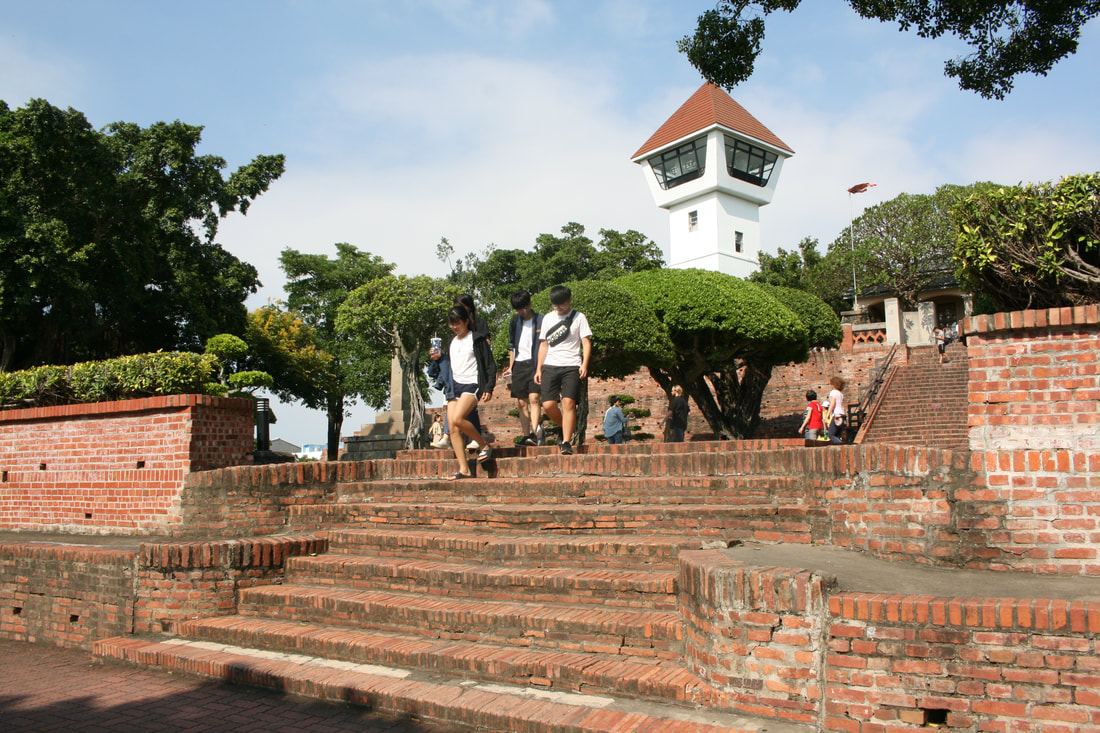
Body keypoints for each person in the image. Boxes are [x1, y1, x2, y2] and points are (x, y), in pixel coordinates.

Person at [429, 305, 495, 478]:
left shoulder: (477, 338)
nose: (455, 327)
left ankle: (484, 446)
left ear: (467, 321)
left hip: (472, 385)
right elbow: (449, 365)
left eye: (458, 323)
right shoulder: (452, 342)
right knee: (453, 428)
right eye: (452, 324)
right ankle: (464, 469)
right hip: (455, 387)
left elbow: (489, 364)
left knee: (458, 419)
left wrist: (488, 387)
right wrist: (437, 358)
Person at [534, 285, 592, 456]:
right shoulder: (548, 318)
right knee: (548, 405)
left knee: (568, 403)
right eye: (555, 305)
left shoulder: (579, 317)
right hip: (551, 365)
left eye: (562, 305)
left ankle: (566, 442)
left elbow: (586, 342)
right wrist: (538, 368)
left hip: (571, 365)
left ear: (569, 301)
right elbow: (544, 344)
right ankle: (566, 425)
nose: (559, 308)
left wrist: (584, 365)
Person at [503, 290, 543, 447]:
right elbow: (512, 346)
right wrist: (510, 366)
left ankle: (534, 432)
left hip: (534, 364)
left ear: (530, 304)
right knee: (521, 402)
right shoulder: (514, 322)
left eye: (524, 308)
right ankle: (527, 435)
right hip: (519, 364)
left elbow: (544, 345)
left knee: (534, 398)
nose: (522, 311)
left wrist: (540, 367)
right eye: (519, 309)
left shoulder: (540, 320)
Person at [825, 376, 847, 444]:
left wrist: (827, 415)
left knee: (831, 435)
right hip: (842, 414)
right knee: (837, 435)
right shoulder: (840, 393)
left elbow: (832, 404)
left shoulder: (833, 392)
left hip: (837, 415)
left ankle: (842, 445)